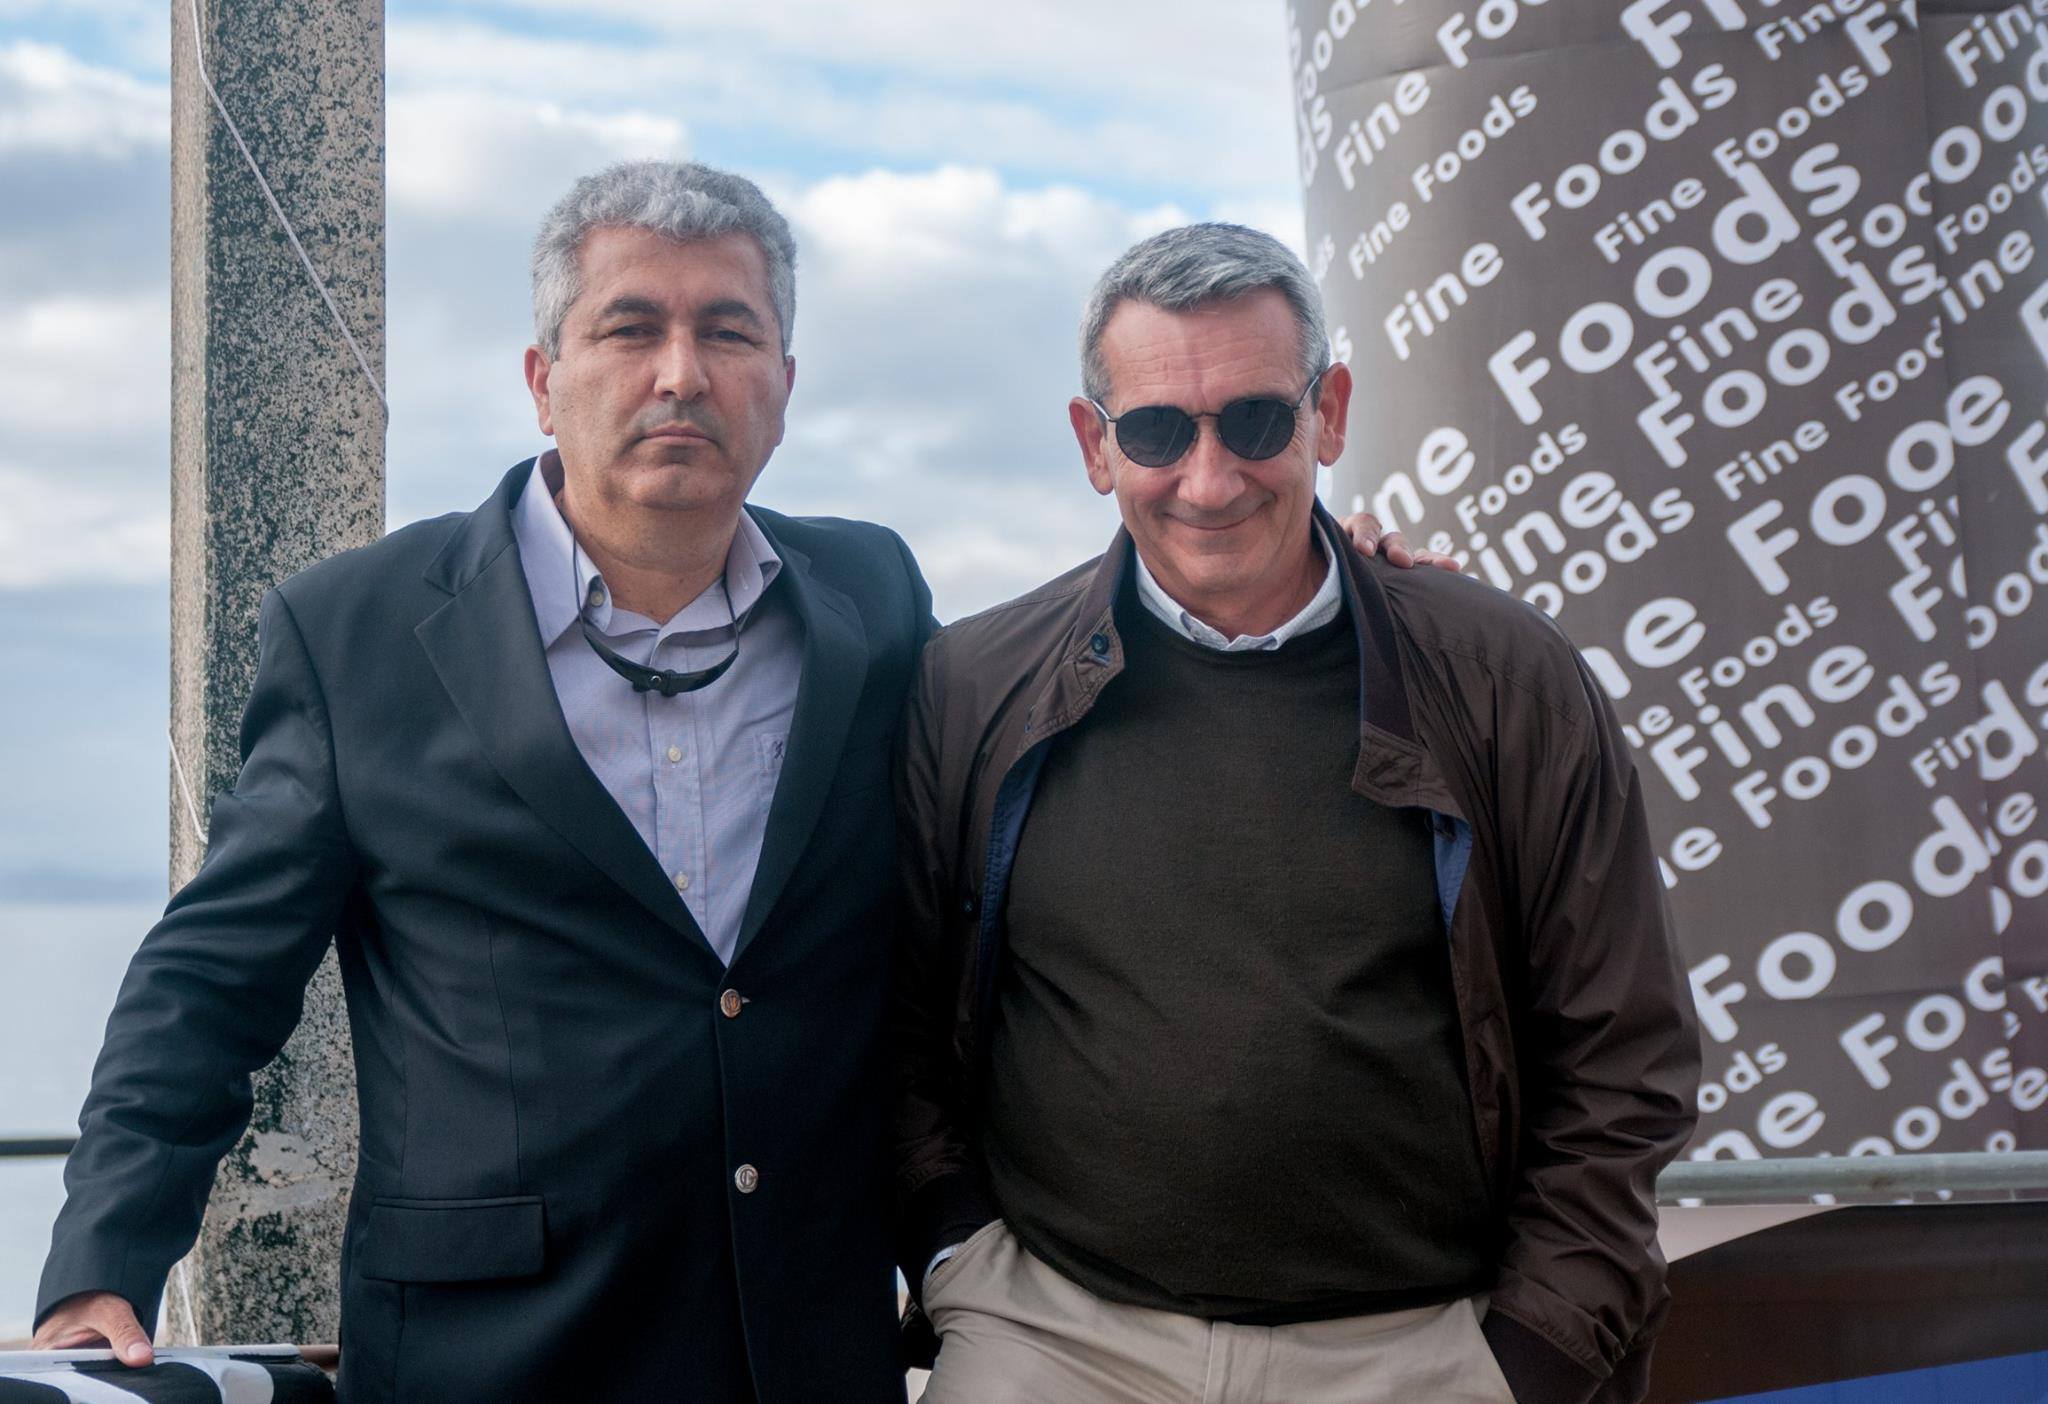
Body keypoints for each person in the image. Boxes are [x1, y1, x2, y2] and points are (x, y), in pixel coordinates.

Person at [29, 165, 1438, 1401]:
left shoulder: (871, 599)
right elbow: (215, 976)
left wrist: (1331, 584)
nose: (680, 374)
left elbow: (1065, 708)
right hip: (493, 1351)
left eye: (728, 330)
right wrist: (104, 1265)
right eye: (629, 327)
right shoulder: (361, 632)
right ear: (542, 377)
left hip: (806, 1339)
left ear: (784, 384)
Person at [892, 223, 1702, 1404]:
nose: (1208, 479)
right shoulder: (971, 687)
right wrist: (953, 1255)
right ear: (1093, 443)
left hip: (1418, 1354)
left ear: (1328, 413)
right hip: (1054, 1342)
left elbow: (1621, 1052)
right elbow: (897, 1014)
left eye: (1256, 421)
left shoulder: (1504, 680)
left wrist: (1528, 1361)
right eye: (1157, 431)